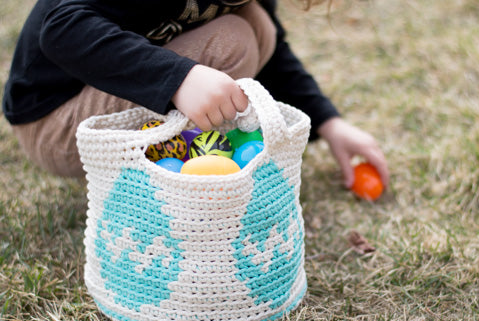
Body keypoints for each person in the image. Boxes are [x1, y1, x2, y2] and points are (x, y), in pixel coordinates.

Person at [2, 0, 389, 190]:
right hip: (56, 120)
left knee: (258, 24)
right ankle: (171, 181)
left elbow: (276, 56)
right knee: (231, 42)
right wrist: (178, 78)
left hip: (99, 98)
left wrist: (329, 122)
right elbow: (60, 27)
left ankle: (186, 160)